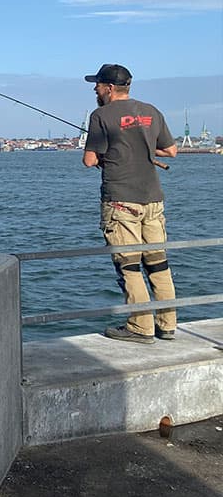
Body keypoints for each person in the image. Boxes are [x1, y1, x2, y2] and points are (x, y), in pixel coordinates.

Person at [82, 63, 178, 344]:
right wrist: (144, 149)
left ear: (109, 88)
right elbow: (170, 151)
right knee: (158, 263)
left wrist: (109, 152)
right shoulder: (150, 110)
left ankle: (140, 326)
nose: (95, 89)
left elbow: (89, 160)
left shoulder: (101, 115)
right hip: (153, 200)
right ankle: (167, 324)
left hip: (121, 201)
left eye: (97, 85)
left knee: (129, 265)